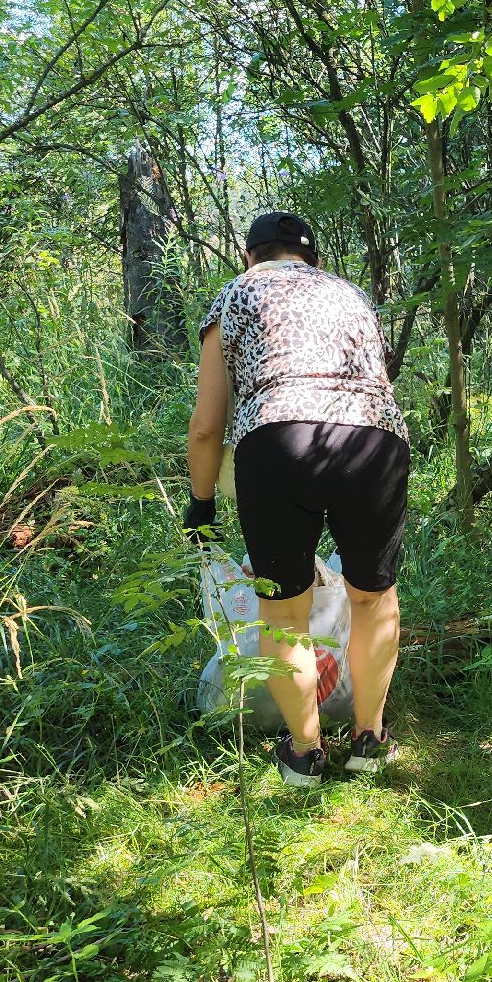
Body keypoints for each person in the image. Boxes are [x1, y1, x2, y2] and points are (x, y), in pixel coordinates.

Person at [183, 211, 409, 786]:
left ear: (250, 255)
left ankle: (305, 752)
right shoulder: (349, 293)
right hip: (372, 441)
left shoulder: (235, 293)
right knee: (372, 598)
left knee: (283, 611)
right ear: (312, 258)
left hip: (277, 439)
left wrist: (202, 504)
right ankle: (369, 740)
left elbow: (208, 426)